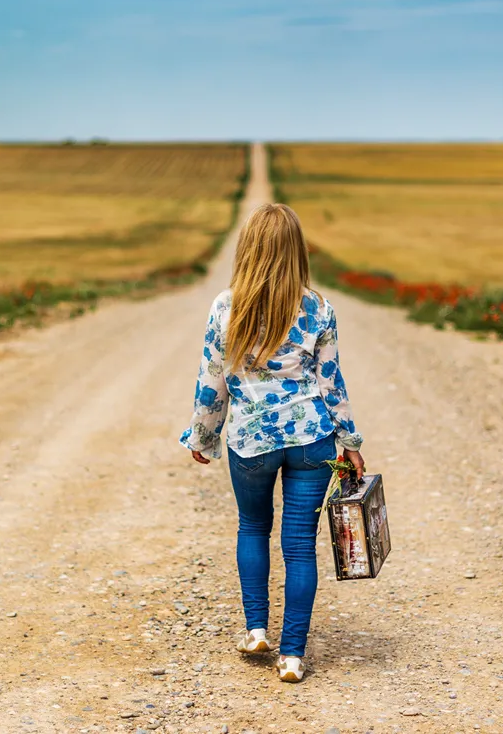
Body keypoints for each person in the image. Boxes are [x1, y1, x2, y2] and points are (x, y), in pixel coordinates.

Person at [180, 203, 365, 684]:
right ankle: (292, 656)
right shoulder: (319, 308)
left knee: (253, 527)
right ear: (296, 252)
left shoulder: (227, 305)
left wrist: (204, 434)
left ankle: (257, 628)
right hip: (311, 439)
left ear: (249, 249)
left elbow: (211, 381)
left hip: (251, 441)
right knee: (300, 546)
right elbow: (331, 382)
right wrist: (350, 441)